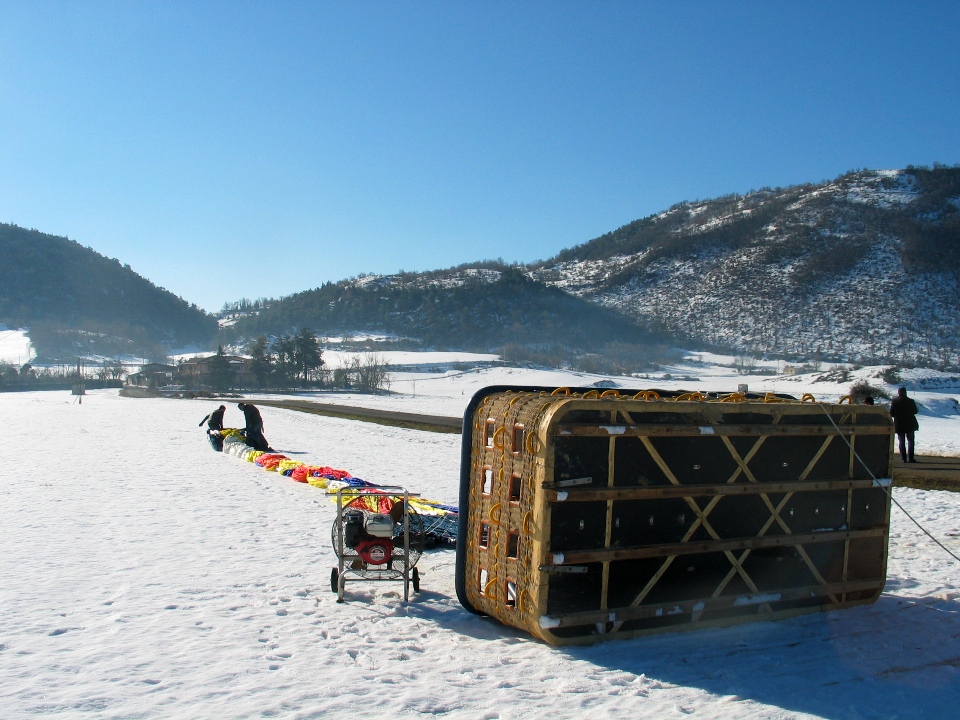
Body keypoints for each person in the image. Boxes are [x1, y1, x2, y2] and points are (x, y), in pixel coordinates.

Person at [889, 387, 919, 463]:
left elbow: (891, 413)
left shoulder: (895, 402)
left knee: (901, 441)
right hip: (910, 423)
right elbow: (915, 411)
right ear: (905, 392)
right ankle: (911, 458)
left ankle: (903, 458)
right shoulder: (910, 401)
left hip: (899, 424)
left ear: (898, 393)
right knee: (911, 441)